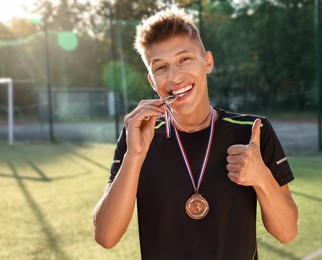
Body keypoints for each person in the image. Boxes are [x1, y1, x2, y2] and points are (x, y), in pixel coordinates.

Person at [93, 5, 298, 260]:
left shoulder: (253, 132)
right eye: (160, 67)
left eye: (184, 59)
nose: (175, 76)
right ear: (151, 81)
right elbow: (106, 236)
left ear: (207, 62)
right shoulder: (138, 135)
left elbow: (287, 231)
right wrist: (134, 157)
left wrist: (261, 177)